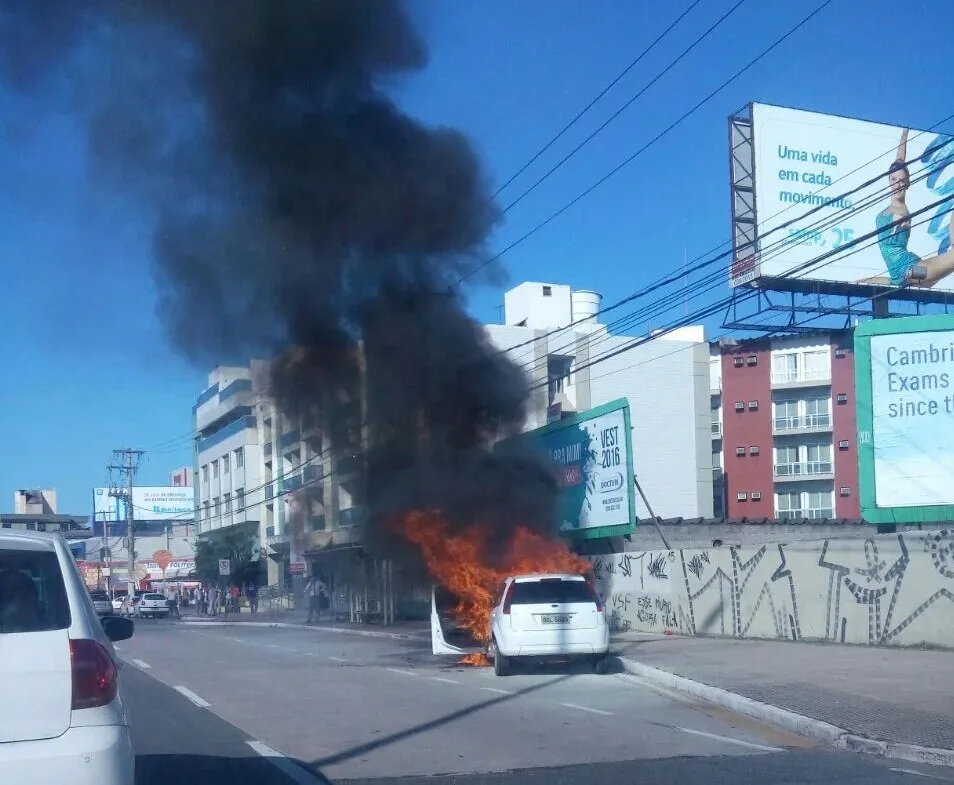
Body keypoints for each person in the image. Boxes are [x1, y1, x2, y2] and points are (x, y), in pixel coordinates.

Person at [860, 128, 954, 288]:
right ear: (889, 180)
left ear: (908, 184)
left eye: (902, 181)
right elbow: (900, 159)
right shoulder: (891, 206)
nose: (897, 184)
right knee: (859, 284)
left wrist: (901, 224)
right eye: (894, 179)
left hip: (912, 271)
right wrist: (905, 133)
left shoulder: (902, 212)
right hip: (902, 275)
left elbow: (903, 222)